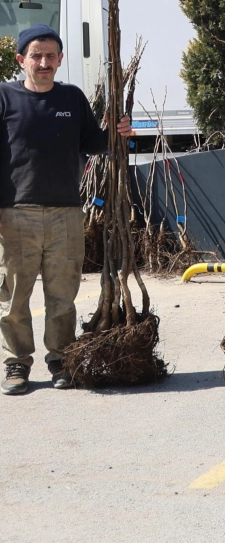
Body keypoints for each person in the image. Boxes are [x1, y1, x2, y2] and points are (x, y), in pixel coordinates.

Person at [0, 25, 133, 395]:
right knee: (14, 295)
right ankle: (17, 363)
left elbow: (94, 142)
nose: (44, 62)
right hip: (15, 213)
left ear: (60, 59)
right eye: (36, 55)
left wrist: (117, 131)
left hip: (65, 213)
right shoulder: (5, 97)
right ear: (21, 59)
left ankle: (61, 359)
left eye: (51, 56)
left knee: (63, 294)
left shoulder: (71, 98)